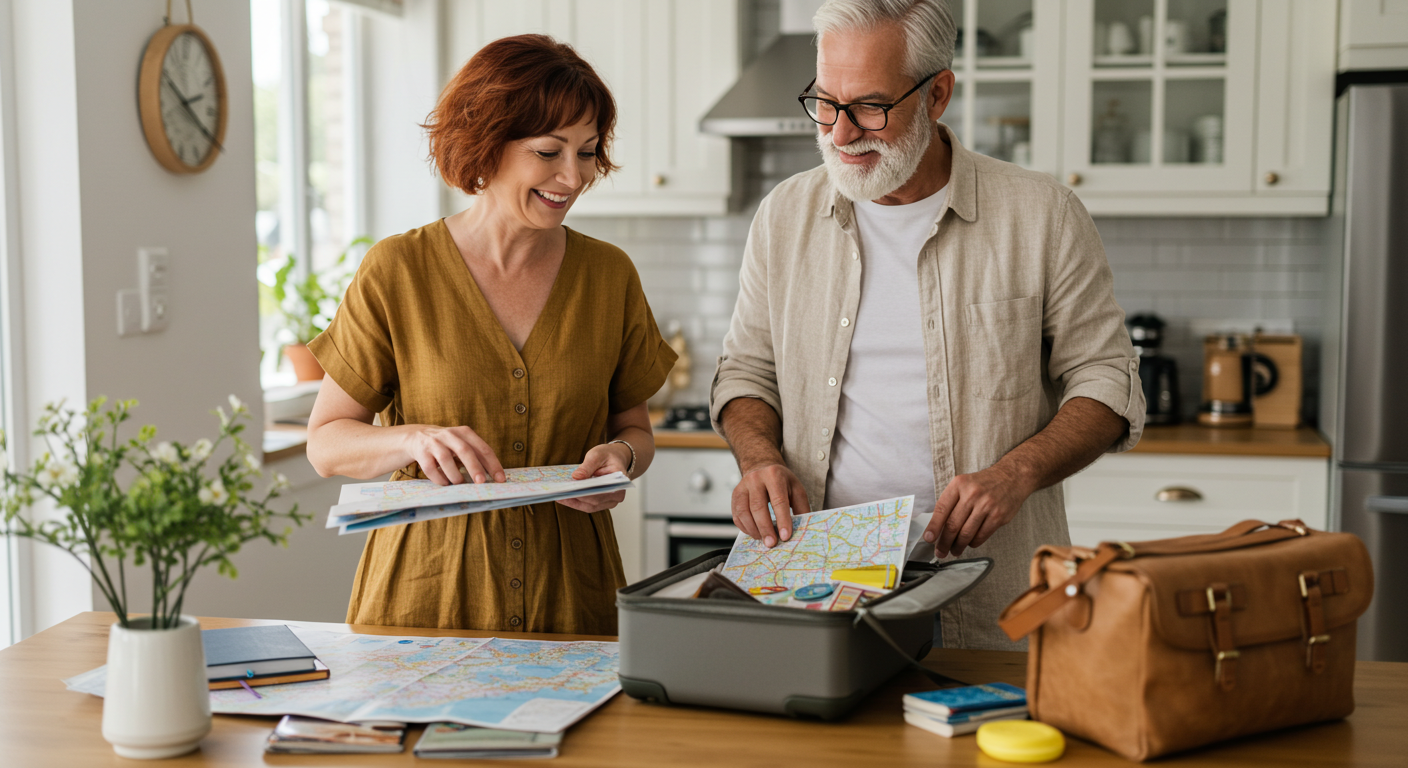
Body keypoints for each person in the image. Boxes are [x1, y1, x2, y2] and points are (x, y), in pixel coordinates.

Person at [710, 0, 1145, 651]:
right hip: (817, 592)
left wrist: (1016, 473)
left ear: (938, 93)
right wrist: (759, 458)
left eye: (870, 107)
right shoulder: (784, 216)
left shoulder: (1041, 214)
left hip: (989, 595)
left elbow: (1108, 380)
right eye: (825, 102)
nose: (840, 132)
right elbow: (746, 371)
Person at [305, 34, 676, 636]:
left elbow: (634, 430)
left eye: (586, 152)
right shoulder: (398, 269)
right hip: (426, 598)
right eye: (549, 151)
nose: (572, 176)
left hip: (572, 601)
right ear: (487, 144)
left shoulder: (609, 276)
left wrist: (622, 459)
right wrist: (414, 441)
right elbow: (325, 444)